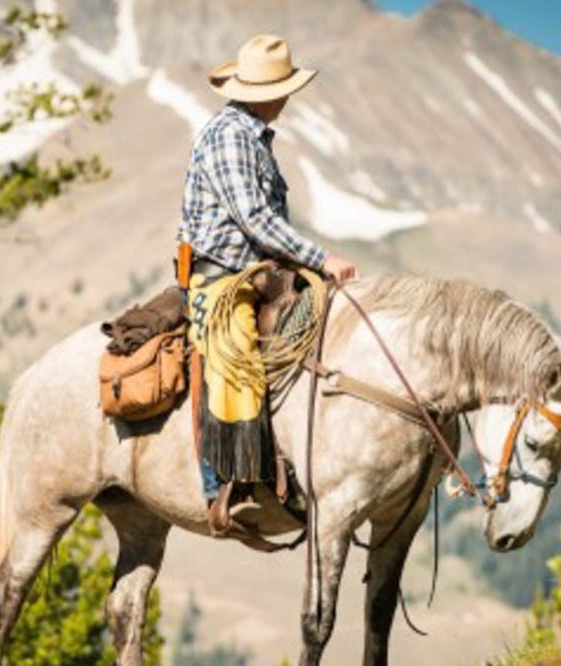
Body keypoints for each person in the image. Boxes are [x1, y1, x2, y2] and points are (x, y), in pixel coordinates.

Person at [177, 34, 358, 535]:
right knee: (235, 360)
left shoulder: (253, 133)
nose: (287, 98)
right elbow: (254, 218)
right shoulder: (232, 135)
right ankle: (226, 484)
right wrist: (322, 258)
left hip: (258, 272)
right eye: (283, 88)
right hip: (223, 276)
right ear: (265, 92)